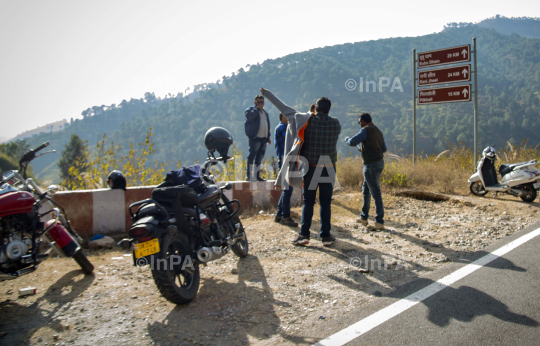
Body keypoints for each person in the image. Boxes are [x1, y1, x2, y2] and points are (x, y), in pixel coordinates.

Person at [260, 87, 341, 246]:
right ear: (329, 110)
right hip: (329, 168)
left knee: (308, 202)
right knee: (325, 203)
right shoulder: (336, 124)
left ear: (315, 109)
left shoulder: (306, 120)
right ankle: (325, 236)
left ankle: (304, 235)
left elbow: (284, 108)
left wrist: (267, 93)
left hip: (310, 167)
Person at [344, 112, 386, 230]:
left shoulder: (365, 130)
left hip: (370, 165)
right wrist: (366, 148)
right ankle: (364, 217)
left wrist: (346, 139)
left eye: (359, 122)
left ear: (363, 121)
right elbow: (384, 149)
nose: (359, 125)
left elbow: (352, 142)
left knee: (375, 193)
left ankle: (379, 221)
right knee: (366, 190)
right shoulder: (378, 131)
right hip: (379, 163)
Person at [274, 113, 298, 227]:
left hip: (284, 160)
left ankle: (279, 214)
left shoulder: (281, 128)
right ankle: (285, 217)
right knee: (287, 190)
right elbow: (291, 141)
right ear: (283, 117)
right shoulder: (283, 128)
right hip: (286, 161)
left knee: (286, 189)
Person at [244, 95, 271, 181]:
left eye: (262, 102)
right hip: (255, 138)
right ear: (255, 103)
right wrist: (256, 109)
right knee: (251, 156)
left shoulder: (265, 113)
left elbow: (267, 125)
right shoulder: (250, 111)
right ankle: (249, 176)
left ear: (264, 103)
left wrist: (268, 136)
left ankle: (257, 175)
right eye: (258, 102)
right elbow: (249, 118)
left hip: (264, 138)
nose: (260, 104)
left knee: (259, 157)